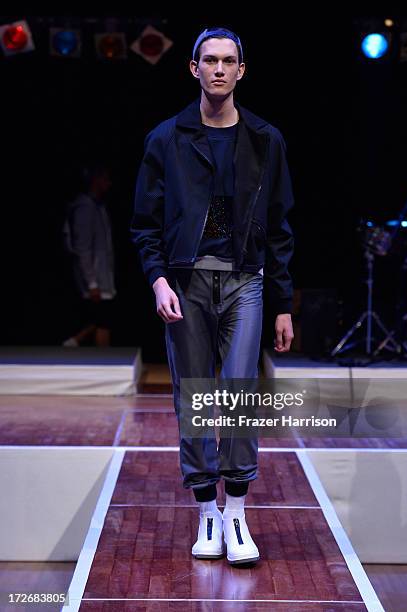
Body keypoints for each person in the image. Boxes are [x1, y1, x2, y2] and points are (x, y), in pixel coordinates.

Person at [131, 27, 295, 565]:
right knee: (197, 400)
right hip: (185, 282)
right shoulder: (166, 138)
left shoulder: (265, 139)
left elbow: (279, 225)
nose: (219, 69)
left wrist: (285, 302)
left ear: (241, 71)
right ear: (193, 69)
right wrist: (157, 279)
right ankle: (207, 510)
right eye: (209, 60)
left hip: (246, 280)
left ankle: (238, 513)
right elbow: (145, 224)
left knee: (240, 394)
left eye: (229, 61)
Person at [63, 163, 116, 347]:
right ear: (95, 180)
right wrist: (92, 282)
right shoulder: (84, 207)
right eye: (105, 179)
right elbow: (82, 248)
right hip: (93, 277)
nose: (109, 184)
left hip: (102, 275)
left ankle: (76, 343)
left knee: (103, 321)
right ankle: (74, 342)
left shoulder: (98, 207)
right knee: (102, 320)